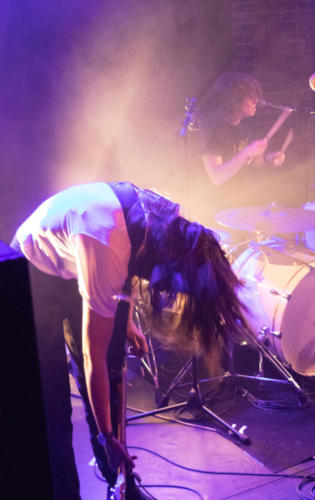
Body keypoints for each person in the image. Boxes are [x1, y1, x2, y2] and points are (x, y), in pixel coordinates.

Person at [11, 181, 248, 500]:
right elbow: (92, 357)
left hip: (82, 253)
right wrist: (109, 438)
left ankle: (119, 484)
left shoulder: (167, 224)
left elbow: (134, 256)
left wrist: (126, 323)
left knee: (111, 372)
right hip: (35, 270)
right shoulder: (106, 243)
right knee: (52, 401)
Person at [199, 72, 287, 234]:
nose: (256, 101)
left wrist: (268, 159)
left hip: (245, 205)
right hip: (221, 214)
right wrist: (247, 151)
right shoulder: (213, 130)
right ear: (234, 100)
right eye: (250, 97)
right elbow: (217, 177)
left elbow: (253, 163)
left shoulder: (244, 126)